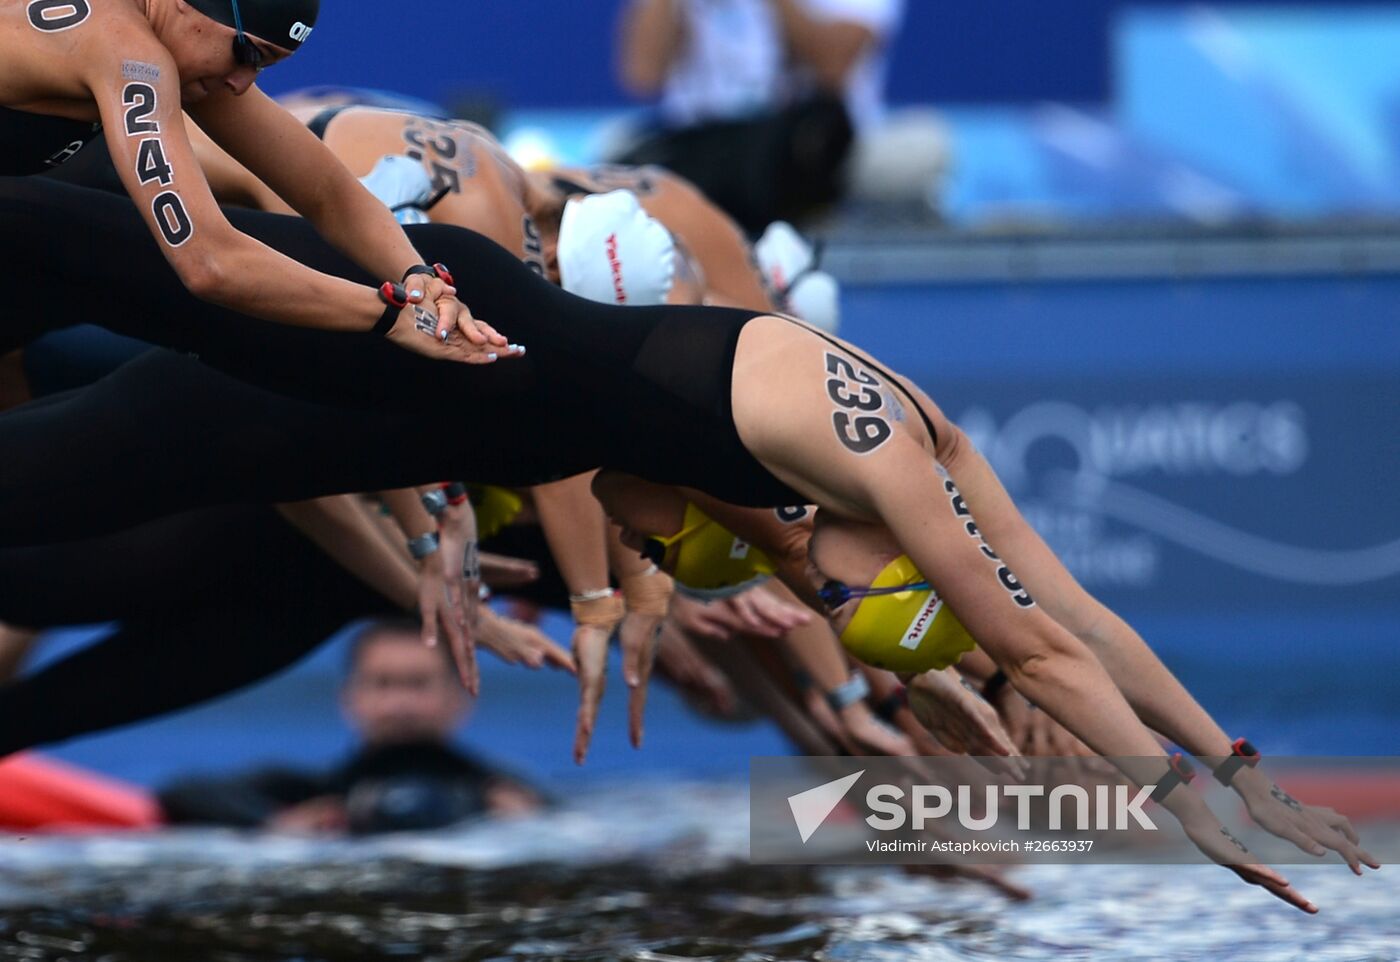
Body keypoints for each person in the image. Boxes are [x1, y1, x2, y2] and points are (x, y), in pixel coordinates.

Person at [0, 178, 1376, 910]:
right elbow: (1032, 639)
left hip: (441, 426)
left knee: (65, 482)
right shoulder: (879, 455)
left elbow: (1081, 626)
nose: (846, 607)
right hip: (464, 351)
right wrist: (1191, 804)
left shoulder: (894, 485)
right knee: (107, 301)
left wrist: (1235, 758)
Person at [0, 0, 512, 363]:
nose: (242, 82)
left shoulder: (178, 43)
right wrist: (392, 317)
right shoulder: (129, 53)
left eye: (263, 66)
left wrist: (417, 273)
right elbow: (209, 263)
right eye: (247, 54)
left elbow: (327, 190)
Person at [158, 618, 544, 834]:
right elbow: (182, 792)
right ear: (350, 698)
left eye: (418, 684)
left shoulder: (503, 796)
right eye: (383, 684)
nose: (400, 703)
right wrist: (273, 823)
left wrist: (527, 827)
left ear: (459, 698)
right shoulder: (310, 795)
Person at [612, 0, 903, 231]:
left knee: (916, 152)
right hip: (702, 144)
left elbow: (832, 66)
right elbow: (643, 74)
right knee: (615, 146)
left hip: (806, 149)